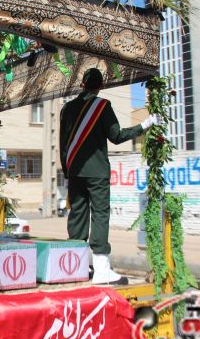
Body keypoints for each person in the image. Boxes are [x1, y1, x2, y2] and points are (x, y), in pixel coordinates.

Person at [60, 67, 160, 285]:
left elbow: (63, 143)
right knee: (100, 215)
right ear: (101, 86)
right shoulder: (102, 106)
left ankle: (76, 266)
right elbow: (116, 136)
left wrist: (68, 171)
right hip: (97, 173)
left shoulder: (67, 108)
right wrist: (144, 125)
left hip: (74, 171)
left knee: (77, 214)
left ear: (82, 84)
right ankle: (102, 270)